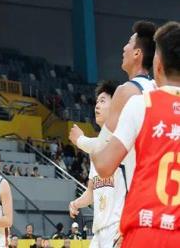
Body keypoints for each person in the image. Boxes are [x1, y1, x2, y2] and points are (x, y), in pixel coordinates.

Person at [92, 21, 180, 248]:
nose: (124, 48)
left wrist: (90, 142)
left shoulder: (138, 102)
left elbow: (103, 164)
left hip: (144, 226)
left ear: (158, 63)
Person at [70, 21, 157, 193]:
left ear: (137, 53)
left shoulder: (126, 91)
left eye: (129, 43)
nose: (124, 48)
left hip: (140, 194)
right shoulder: (156, 88)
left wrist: (80, 140)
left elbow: (102, 152)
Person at [69, 80, 123, 247]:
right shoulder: (95, 150)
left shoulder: (123, 140)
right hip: (98, 231)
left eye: (102, 101)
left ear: (115, 106)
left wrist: (80, 140)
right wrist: (76, 203)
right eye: (96, 102)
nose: (96, 106)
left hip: (117, 228)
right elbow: (92, 192)